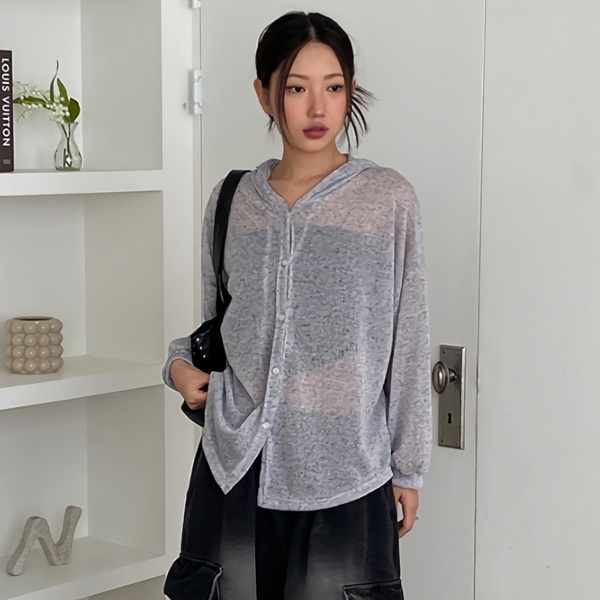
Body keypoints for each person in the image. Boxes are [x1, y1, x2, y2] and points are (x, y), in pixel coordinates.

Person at [162, 11, 432, 600]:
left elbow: (408, 341)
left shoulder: (387, 199)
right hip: (234, 469)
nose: (317, 108)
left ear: (350, 90)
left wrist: (408, 467)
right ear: (264, 95)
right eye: (296, 88)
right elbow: (221, 327)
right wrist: (178, 365)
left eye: (333, 87)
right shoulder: (231, 200)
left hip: (345, 471)